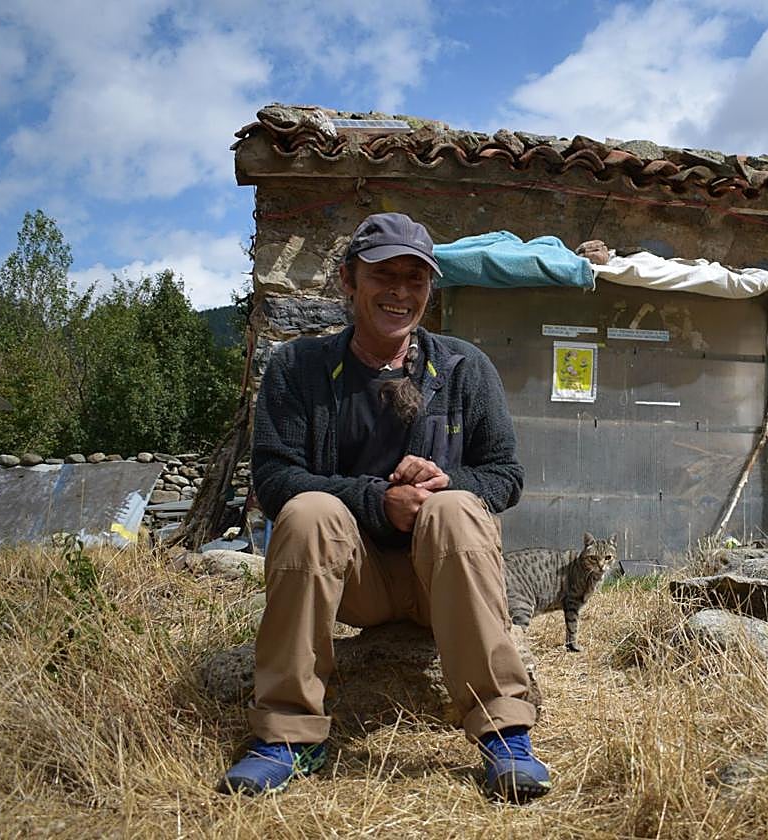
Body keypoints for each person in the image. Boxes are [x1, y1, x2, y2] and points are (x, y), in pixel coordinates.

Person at [217, 212, 550, 802]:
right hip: (356, 582)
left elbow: (506, 475)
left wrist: (446, 482)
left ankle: (505, 734)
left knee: (455, 509)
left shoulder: (464, 368)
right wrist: (376, 501)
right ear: (349, 280)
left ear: (430, 289)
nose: (400, 292)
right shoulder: (299, 368)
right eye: (383, 275)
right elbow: (273, 476)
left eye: (415, 279)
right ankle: (289, 737)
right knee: (308, 511)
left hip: (443, 576)